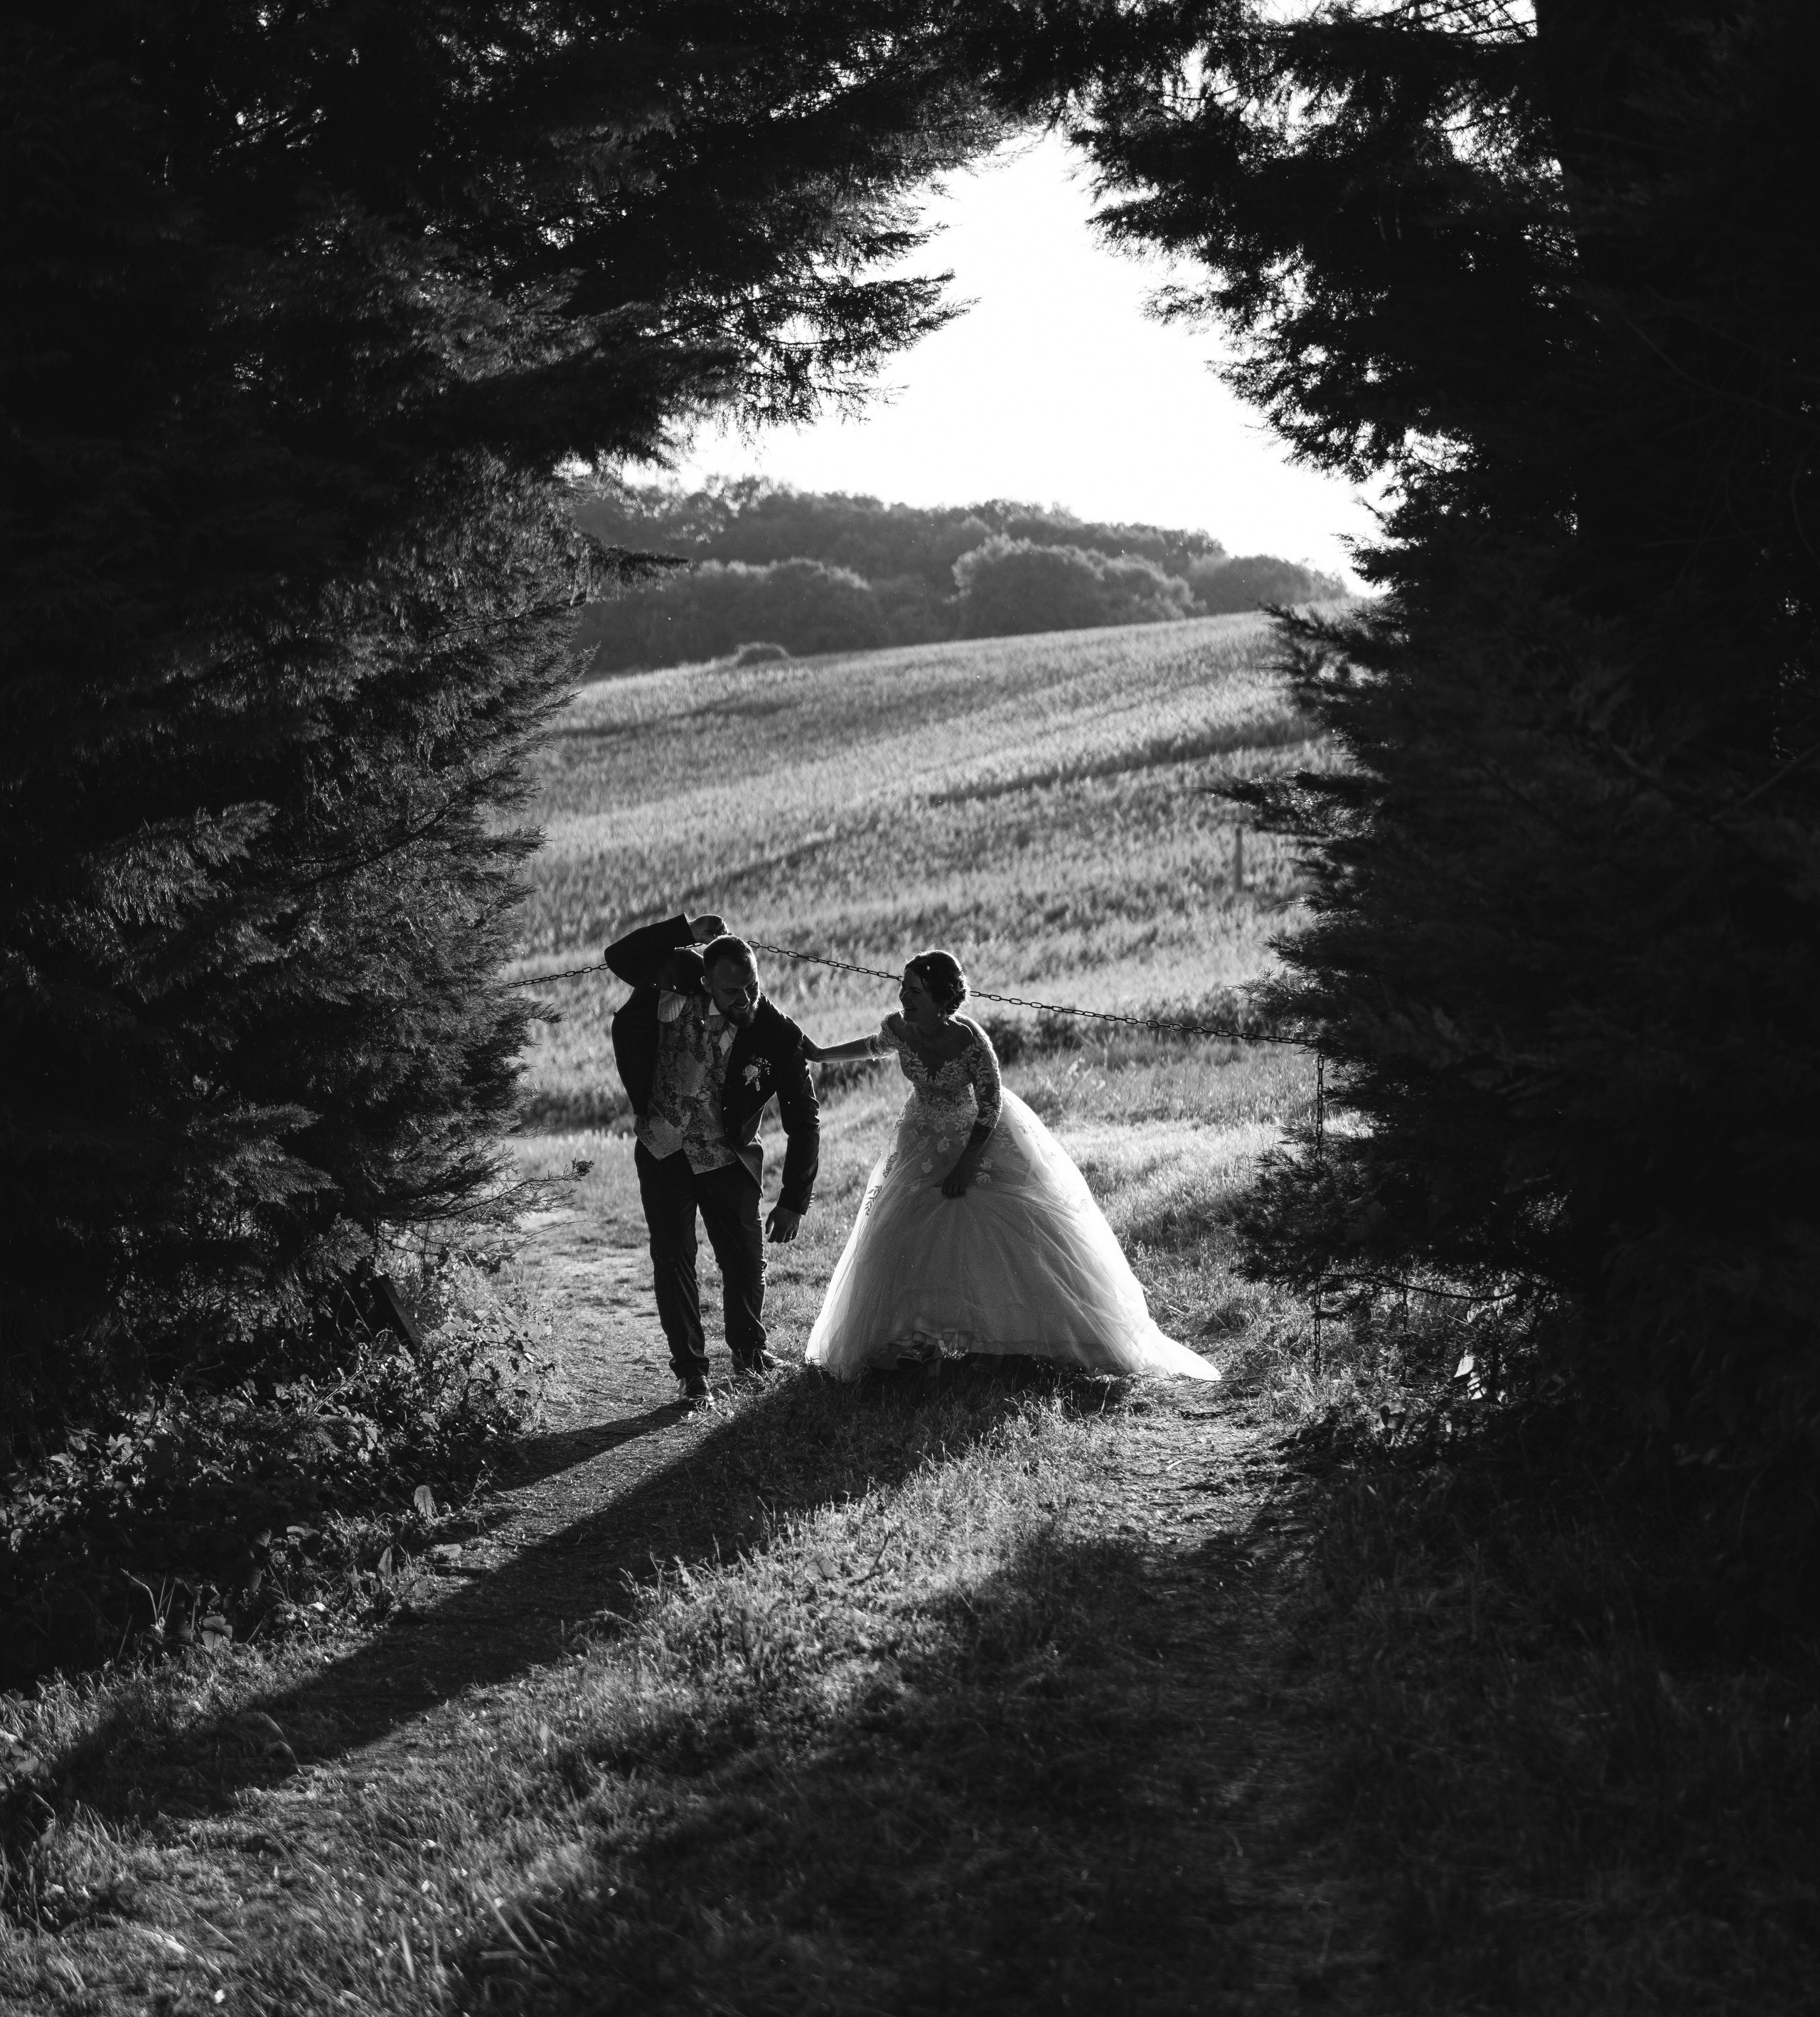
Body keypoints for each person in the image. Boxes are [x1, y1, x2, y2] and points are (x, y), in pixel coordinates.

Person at [801, 951, 1218, 1381]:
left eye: (914, 990)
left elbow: (990, 1105)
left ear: (941, 998)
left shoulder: (969, 1040)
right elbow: (872, 1047)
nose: (903, 995)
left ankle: (1007, 1336)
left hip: (972, 1135)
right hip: (919, 1137)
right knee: (901, 1227)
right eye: (903, 987)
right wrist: (818, 1053)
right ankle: (915, 1337)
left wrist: (965, 1165)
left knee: (987, 1220)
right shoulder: (898, 1029)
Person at [604, 914, 819, 1399]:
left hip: (728, 1155)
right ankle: (691, 1370)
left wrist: (794, 1199)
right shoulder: (678, 974)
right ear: (705, 980)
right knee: (673, 1255)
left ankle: (749, 1350)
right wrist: (683, 929)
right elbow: (620, 958)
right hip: (663, 1145)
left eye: (750, 986)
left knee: (744, 1258)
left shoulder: (777, 1033)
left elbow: (804, 1119)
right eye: (729, 992)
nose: (742, 1000)